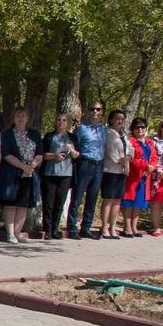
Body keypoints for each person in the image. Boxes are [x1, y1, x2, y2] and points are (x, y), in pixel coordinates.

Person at [0, 107, 40, 243]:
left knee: (23, 204)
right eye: (18, 115)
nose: (21, 118)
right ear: (13, 118)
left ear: (28, 118)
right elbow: (7, 154)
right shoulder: (7, 134)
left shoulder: (35, 134)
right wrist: (23, 167)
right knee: (10, 203)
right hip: (11, 173)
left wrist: (32, 166)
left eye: (23, 115)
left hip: (29, 173)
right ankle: (10, 234)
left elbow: (40, 153)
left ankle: (18, 233)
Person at [68, 102, 107, 239]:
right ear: (87, 111)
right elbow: (75, 146)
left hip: (99, 164)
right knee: (78, 196)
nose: (95, 111)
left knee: (92, 197)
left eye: (98, 109)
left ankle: (86, 228)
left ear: (102, 112)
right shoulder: (81, 128)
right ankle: (72, 228)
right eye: (92, 109)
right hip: (85, 163)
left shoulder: (104, 129)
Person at [39, 113, 77, 239]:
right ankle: (48, 230)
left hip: (66, 174)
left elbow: (77, 155)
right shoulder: (49, 137)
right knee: (48, 203)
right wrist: (54, 156)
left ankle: (55, 230)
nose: (61, 122)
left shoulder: (72, 137)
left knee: (59, 203)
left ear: (68, 123)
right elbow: (42, 154)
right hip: (50, 173)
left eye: (64, 120)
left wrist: (71, 150)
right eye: (59, 120)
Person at [99, 110, 133, 239]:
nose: (119, 121)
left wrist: (128, 157)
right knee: (108, 199)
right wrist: (121, 161)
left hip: (122, 171)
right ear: (111, 119)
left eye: (122, 119)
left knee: (117, 200)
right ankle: (104, 228)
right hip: (110, 170)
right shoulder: (108, 133)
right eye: (117, 118)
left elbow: (130, 148)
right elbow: (109, 151)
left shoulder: (123, 135)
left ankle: (113, 228)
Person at [121, 118, 154, 237]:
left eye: (142, 127)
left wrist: (152, 167)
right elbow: (133, 159)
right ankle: (127, 227)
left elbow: (154, 157)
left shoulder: (149, 142)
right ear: (132, 129)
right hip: (133, 175)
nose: (140, 129)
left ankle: (134, 227)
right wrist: (146, 166)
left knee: (139, 202)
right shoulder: (131, 142)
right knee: (129, 201)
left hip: (145, 176)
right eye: (137, 127)